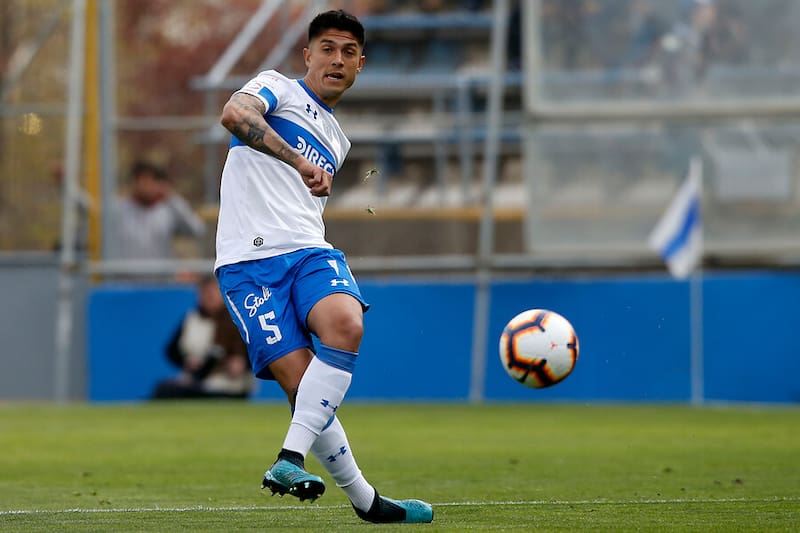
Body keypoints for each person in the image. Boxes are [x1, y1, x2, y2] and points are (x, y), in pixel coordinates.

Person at [213, 9, 433, 524]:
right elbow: (234, 116)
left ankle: (289, 459)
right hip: (247, 262)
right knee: (303, 385)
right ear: (308, 55)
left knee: (346, 322)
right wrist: (296, 159)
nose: (337, 59)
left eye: (349, 52)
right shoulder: (275, 88)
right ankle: (367, 502)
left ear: (361, 65)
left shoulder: (338, 138)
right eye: (328, 49)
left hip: (309, 251)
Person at [152, 275, 254, 399]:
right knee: (164, 389)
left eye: (213, 292)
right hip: (197, 380)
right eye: (205, 292)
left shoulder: (237, 320)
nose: (209, 297)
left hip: (228, 384)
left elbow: (256, 350)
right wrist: (186, 361)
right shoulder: (192, 319)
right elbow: (171, 350)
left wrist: (242, 363)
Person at [106, 160, 206, 261]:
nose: (146, 186)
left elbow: (197, 229)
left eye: (150, 181)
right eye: (142, 180)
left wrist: (171, 197)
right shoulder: (119, 210)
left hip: (160, 276)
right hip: (125, 276)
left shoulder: (167, 210)